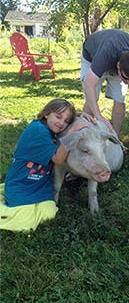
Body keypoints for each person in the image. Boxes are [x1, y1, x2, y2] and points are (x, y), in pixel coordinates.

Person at [0, 98, 92, 232]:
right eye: (58, 117)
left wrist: (76, 115)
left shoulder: (47, 127)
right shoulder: (38, 131)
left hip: (38, 185)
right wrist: (72, 132)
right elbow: (58, 159)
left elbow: (60, 120)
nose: (61, 123)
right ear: (47, 113)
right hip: (22, 185)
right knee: (25, 219)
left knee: (49, 213)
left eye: (66, 121)